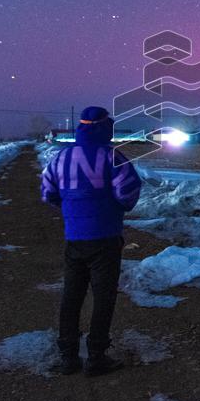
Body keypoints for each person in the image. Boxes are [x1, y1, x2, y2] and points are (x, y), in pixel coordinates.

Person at [40, 106, 141, 376]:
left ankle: (68, 356)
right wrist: (113, 207)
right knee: (103, 297)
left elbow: (48, 192)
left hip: (75, 238)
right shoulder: (112, 157)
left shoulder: (60, 158)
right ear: (103, 127)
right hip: (106, 237)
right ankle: (96, 357)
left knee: (71, 296)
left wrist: (71, 209)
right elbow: (128, 191)